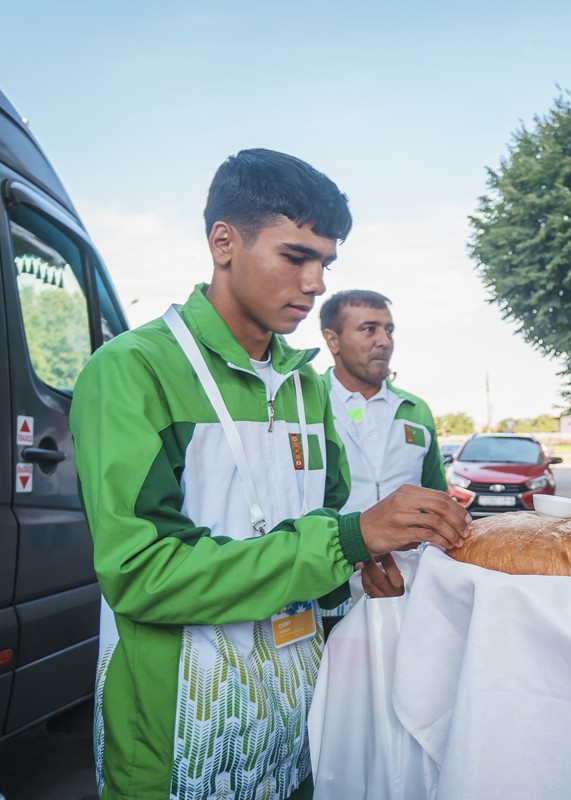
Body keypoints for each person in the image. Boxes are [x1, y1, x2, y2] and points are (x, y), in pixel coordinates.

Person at [69, 148, 470, 800]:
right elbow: (142, 574)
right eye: (295, 257)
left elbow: (326, 516)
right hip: (179, 738)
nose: (315, 283)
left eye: (326, 263)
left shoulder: (303, 385)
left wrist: (353, 565)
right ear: (224, 242)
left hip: (295, 726)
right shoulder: (133, 369)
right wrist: (345, 541)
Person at [319, 289, 447, 606]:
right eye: (369, 329)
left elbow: (437, 498)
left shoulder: (416, 410)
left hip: (410, 589)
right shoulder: (306, 405)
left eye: (388, 330)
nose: (384, 341)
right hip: (329, 593)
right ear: (332, 340)